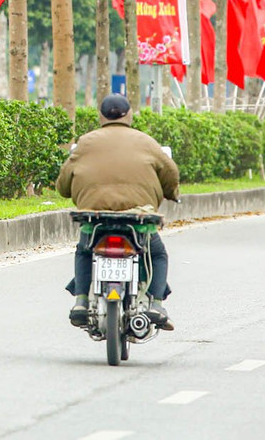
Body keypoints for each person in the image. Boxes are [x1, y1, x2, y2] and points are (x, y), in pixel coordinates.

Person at [56, 93, 179, 330]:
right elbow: (170, 172)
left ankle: (81, 301)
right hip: (138, 215)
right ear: (129, 115)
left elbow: (63, 184)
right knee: (157, 254)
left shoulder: (85, 142)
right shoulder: (146, 142)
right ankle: (156, 303)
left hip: (95, 214)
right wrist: (172, 193)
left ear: (100, 116)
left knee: (84, 249)